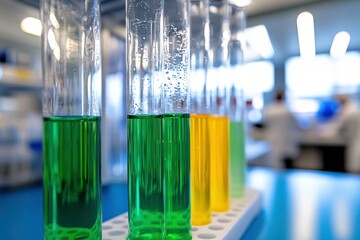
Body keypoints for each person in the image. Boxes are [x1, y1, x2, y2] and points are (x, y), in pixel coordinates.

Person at [263, 90, 299, 169]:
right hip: (287, 140)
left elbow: (265, 124)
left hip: (275, 141)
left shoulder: (269, 110)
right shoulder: (287, 110)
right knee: (287, 165)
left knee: (276, 165)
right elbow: (296, 125)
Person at [327, 94, 360, 173]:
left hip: (355, 141)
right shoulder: (352, 108)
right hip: (354, 141)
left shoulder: (348, 111)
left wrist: (327, 134)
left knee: (355, 167)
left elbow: (338, 126)